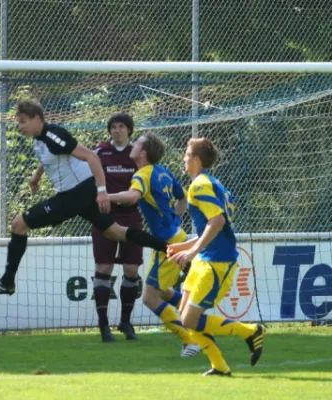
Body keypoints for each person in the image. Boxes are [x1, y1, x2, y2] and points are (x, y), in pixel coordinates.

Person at [0, 99, 168, 297]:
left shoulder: (54, 135)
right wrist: (37, 175)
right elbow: (53, 157)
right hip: (79, 193)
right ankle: (170, 250)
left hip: (76, 194)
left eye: (23, 121)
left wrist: (102, 191)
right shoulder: (40, 137)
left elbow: (91, 157)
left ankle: (7, 282)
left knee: (19, 224)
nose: (20, 127)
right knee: (117, 232)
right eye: (18, 122)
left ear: (37, 119)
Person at [168, 137, 265, 376]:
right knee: (185, 315)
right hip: (205, 258)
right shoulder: (211, 183)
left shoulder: (200, 185)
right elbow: (209, 229)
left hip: (217, 262)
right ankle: (219, 367)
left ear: (197, 160)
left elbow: (218, 222)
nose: (184, 158)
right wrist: (184, 247)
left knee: (190, 320)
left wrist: (191, 251)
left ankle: (250, 331)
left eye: (187, 154)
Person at [108, 132, 200, 357]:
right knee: (165, 292)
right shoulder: (163, 172)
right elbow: (183, 197)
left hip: (168, 243)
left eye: (136, 142)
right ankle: (201, 324)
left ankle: (190, 341)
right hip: (176, 236)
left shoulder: (143, 174)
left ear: (143, 152)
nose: (132, 144)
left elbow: (131, 197)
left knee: (150, 297)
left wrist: (103, 196)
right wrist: (173, 218)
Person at [91, 113, 144, 342]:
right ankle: (104, 325)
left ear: (129, 130)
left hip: (132, 217)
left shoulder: (138, 155)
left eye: (121, 126)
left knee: (131, 270)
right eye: (113, 127)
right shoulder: (100, 152)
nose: (117, 130)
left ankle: (126, 321)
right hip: (104, 217)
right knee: (104, 267)